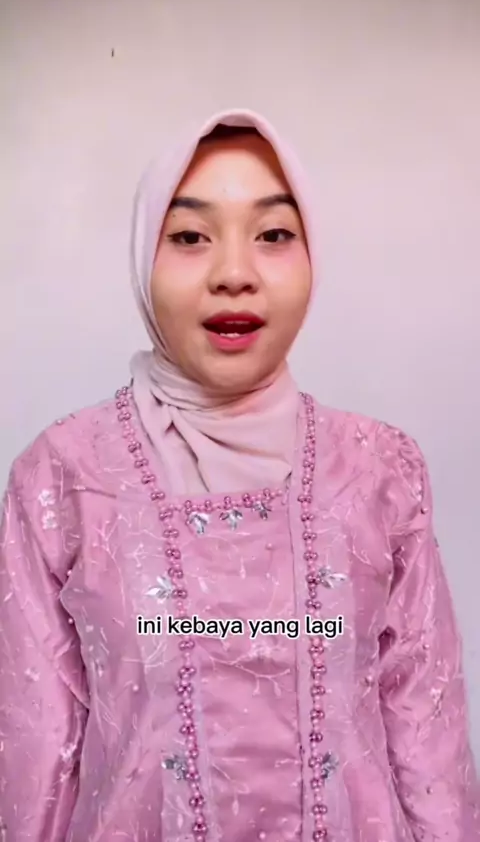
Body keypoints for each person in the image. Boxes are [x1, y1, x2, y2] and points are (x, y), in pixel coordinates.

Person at [0, 109, 478, 842]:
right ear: (144, 256)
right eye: (190, 236)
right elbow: (34, 754)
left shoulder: (380, 471)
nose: (233, 274)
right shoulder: (63, 478)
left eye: (274, 235)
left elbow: (428, 738)